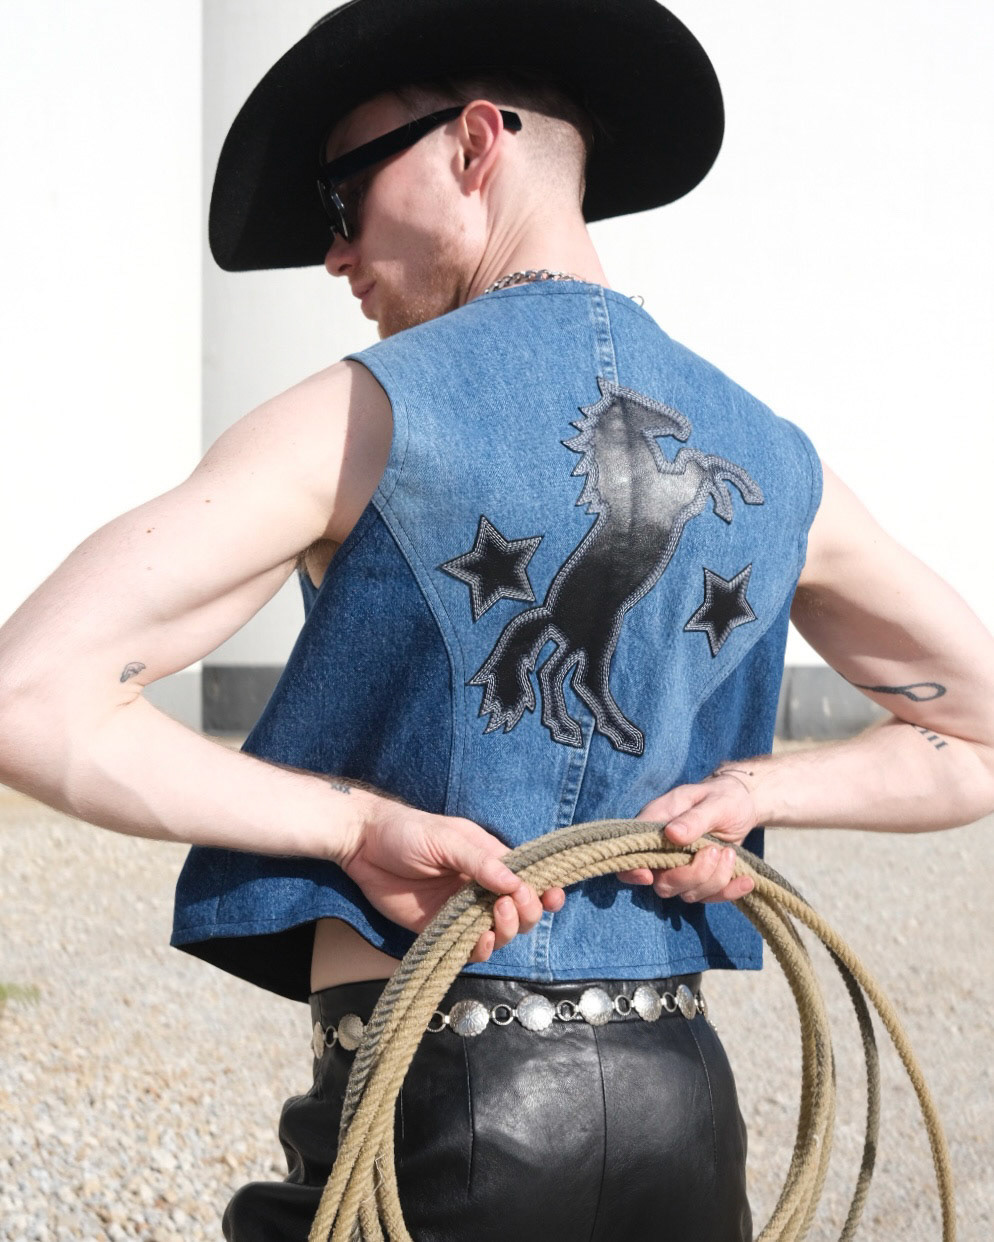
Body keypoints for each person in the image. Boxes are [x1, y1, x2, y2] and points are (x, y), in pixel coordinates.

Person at [0, 1, 992, 1239]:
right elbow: (977, 733)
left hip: (439, 1116)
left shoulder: (362, 417)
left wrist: (354, 825)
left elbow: (31, 698)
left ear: (473, 145)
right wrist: (754, 792)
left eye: (341, 198)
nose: (333, 256)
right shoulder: (776, 457)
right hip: (683, 1113)